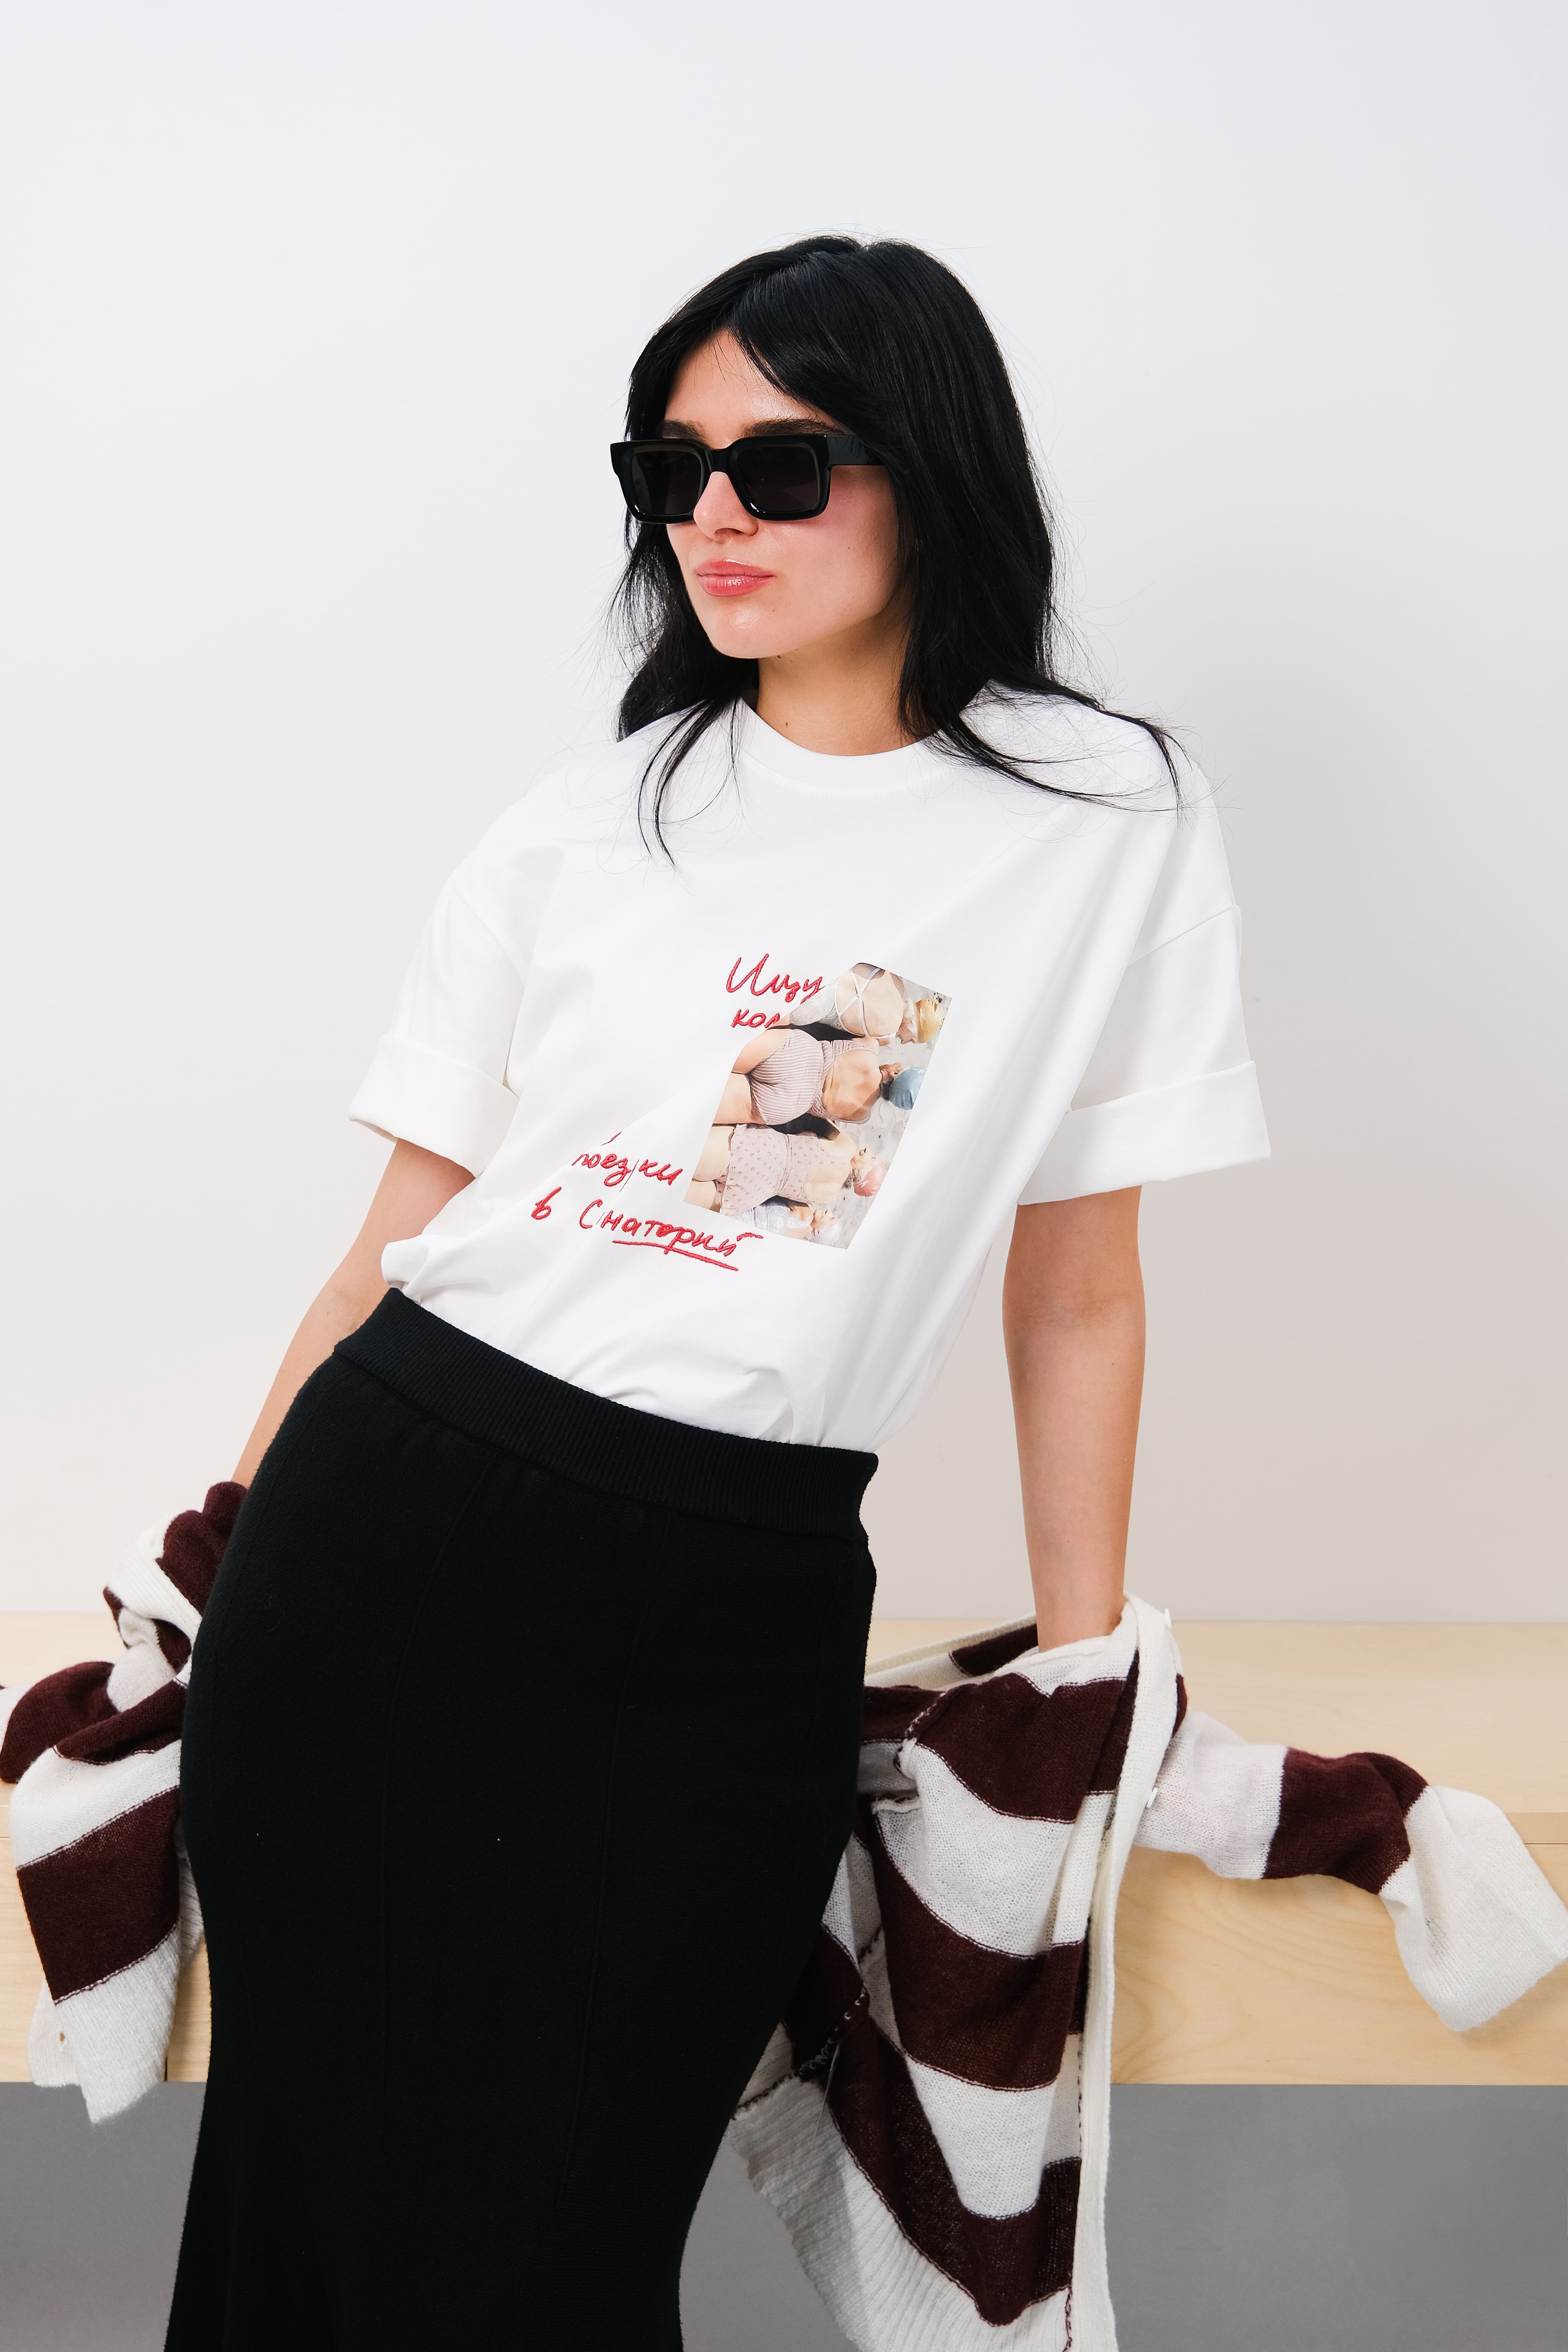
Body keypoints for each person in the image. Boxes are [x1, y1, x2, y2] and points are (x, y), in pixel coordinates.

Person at [164, 235, 1268, 2350]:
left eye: (781, 465)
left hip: (725, 1597)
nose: (712, 521)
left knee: (566, 2257)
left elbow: (1075, 1289)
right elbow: (398, 1238)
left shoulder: (1103, 815)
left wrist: (1082, 1674)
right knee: (300, 2237)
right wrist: (213, 1561)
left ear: (932, 467)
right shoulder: (589, 827)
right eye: (670, 472)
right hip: (385, 1540)